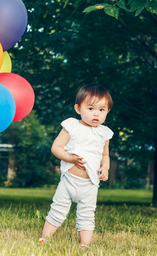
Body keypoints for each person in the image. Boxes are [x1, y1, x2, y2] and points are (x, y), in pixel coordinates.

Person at [39, 84, 114, 249]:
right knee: (58, 210)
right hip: (69, 181)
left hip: (90, 184)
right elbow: (56, 147)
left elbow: (104, 155)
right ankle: (44, 238)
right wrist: (71, 159)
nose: (96, 113)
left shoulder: (104, 133)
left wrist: (105, 167)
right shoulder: (72, 126)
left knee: (87, 215)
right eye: (91, 108)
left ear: (107, 112)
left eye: (102, 110)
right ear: (78, 108)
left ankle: (84, 245)